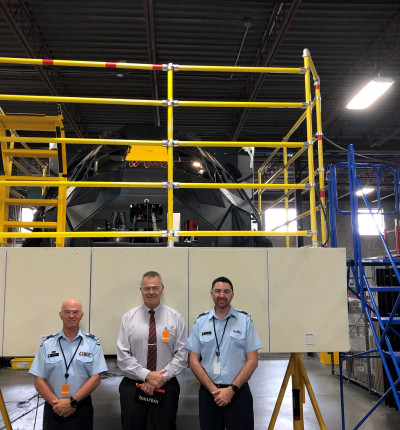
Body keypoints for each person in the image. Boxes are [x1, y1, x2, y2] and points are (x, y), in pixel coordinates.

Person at [185, 276, 262, 430]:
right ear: (211, 294)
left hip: (238, 393)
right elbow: (193, 360)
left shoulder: (245, 321)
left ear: (232, 295)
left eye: (226, 292)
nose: (222, 295)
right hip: (209, 395)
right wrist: (213, 389)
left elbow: (252, 360)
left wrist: (231, 390)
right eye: (218, 291)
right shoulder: (201, 322)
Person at [117, 270, 188, 430]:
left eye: (155, 288)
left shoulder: (175, 317)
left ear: (162, 288)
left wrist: (161, 377)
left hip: (166, 385)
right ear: (141, 290)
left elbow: (182, 354)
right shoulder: (128, 318)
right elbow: (123, 355)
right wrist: (147, 375)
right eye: (147, 288)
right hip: (133, 386)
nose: (151, 292)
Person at [29, 298, 108, 430]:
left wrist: (72, 401)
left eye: (75, 312)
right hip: (54, 407)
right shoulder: (48, 344)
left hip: (81, 408)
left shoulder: (93, 343)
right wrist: (58, 405)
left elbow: (95, 379)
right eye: (67, 312)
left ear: (81, 315)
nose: (71, 316)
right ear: (60, 315)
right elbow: (38, 380)